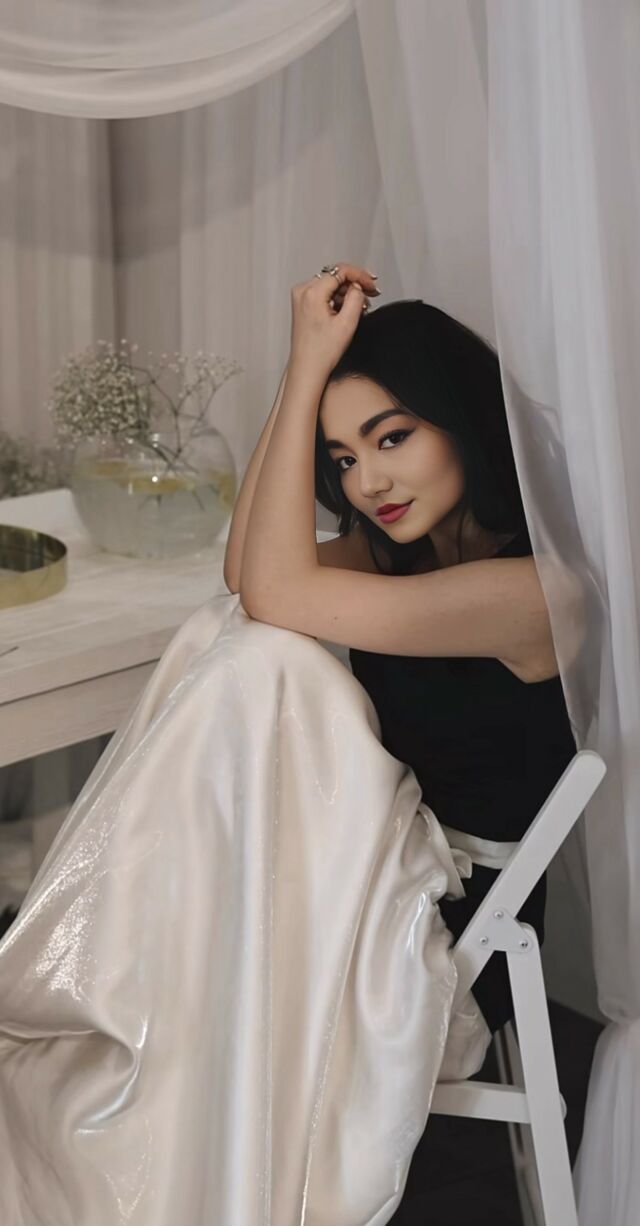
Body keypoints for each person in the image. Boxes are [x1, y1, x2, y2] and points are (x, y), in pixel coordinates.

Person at [230, 260, 578, 1038]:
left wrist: (311, 365)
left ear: (463, 420)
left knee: (209, 951)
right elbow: (246, 570)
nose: (367, 484)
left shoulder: (537, 591)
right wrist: (302, 372)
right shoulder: (404, 553)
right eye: (344, 458)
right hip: (370, 883)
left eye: (392, 438)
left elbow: (269, 589)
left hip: (451, 935)